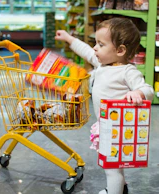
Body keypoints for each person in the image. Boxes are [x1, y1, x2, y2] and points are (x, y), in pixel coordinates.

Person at [55, 17, 154, 194]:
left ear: (120, 50)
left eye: (101, 44)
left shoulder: (127, 71)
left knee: (112, 168)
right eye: (96, 43)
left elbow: (147, 89)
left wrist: (137, 93)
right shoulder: (102, 64)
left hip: (119, 128)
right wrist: (70, 39)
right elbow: (86, 51)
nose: (95, 48)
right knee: (115, 165)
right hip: (107, 126)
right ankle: (121, 189)